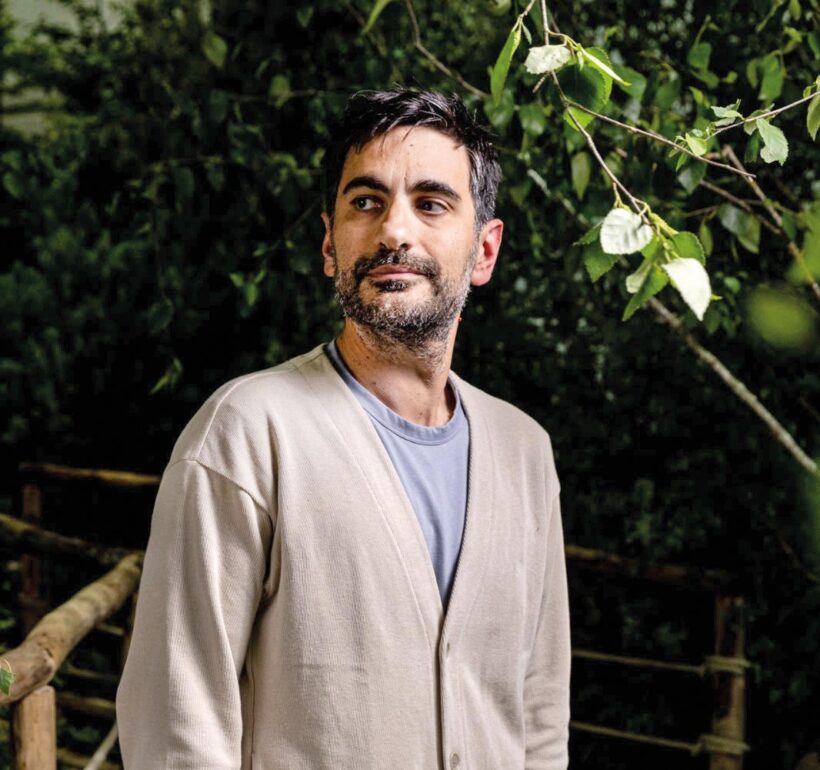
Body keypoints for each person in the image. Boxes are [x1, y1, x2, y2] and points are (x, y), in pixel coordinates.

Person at [116, 89, 571, 769]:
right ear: (331, 245)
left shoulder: (524, 452)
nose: (394, 230)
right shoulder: (247, 433)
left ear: (484, 250)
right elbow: (176, 724)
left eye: (431, 203)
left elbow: (540, 720)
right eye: (366, 201)